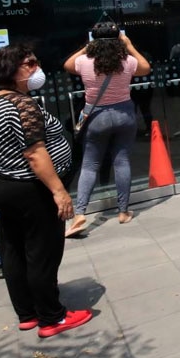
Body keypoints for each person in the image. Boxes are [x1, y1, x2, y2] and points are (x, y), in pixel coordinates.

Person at [0, 44, 93, 338]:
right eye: (29, 63)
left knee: (14, 250)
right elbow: (34, 153)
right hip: (31, 190)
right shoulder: (22, 104)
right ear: (10, 71)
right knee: (41, 253)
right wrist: (59, 191)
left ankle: (28, 313)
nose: (36, 68)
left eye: (36, 62)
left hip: (5, 186)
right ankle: (52, 317)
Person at [62, 23, 152, 236]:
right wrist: (129, 46)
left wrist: (87, 47)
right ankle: (123, 211)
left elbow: (67, 64)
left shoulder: (84, 61)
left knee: (90, 164)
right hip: (124, 114)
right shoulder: (127, 61)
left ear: (94, 40)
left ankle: (81, 212)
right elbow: (145, 67)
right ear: (118, 39)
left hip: (96, 116)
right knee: (121, 161)